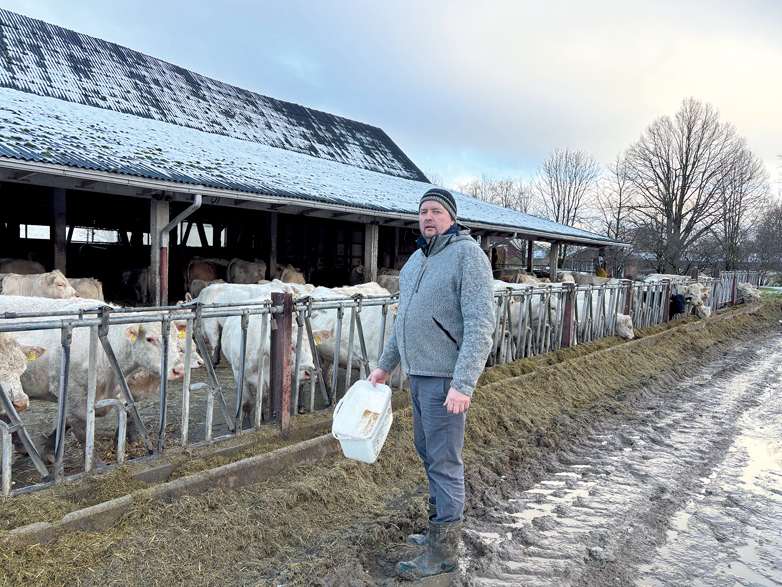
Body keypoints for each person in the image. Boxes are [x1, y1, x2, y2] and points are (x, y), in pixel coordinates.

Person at [368, 187, 495, 579]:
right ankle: (438, 528)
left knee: (444, 460)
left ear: (451, 218)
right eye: (423, 211)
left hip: (446, 380)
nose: (428, 217)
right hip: (418, 376)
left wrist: (464, 382)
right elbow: (403, 319)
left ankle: (444, 553)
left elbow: (480, 324)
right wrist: (385, 366)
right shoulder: (416, 261)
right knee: (428, 452)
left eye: (436, 211)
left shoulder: (467, 256)